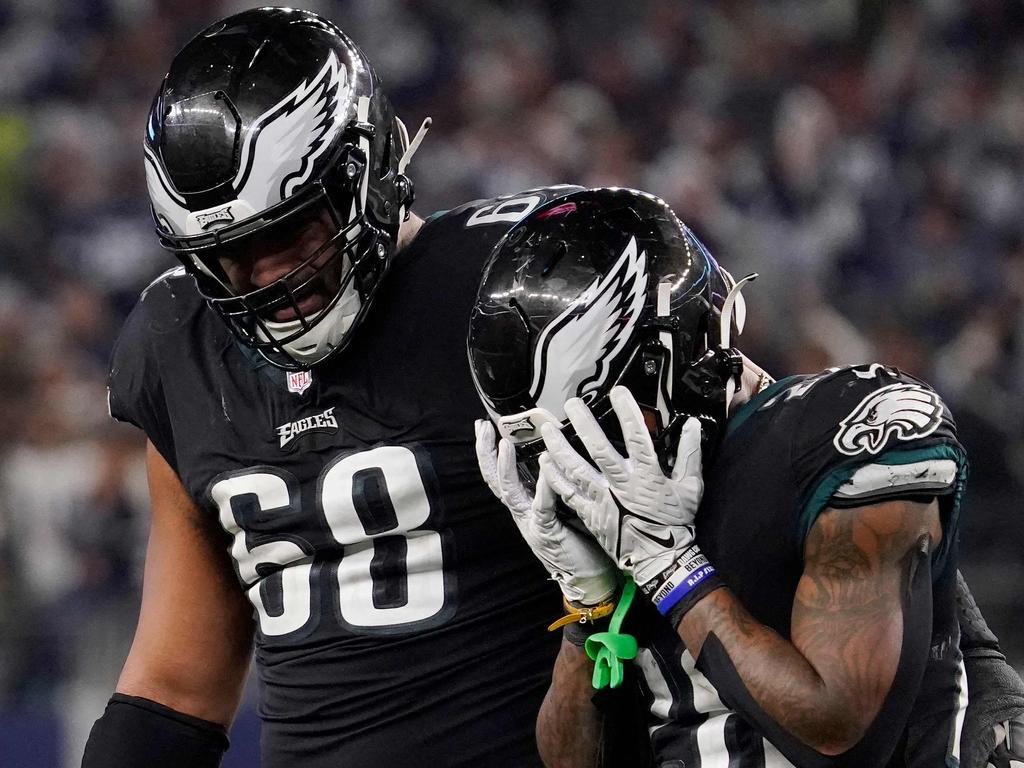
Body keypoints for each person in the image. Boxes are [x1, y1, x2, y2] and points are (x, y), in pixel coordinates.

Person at [81, 7, 588, 767]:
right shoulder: (178, 346)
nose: (265, 278)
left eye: (286, 231)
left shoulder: (517, 292)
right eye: (228, 254)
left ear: (363, 169)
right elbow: (176, 686)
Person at [469, 186, 1024, 767]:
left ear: (675, 351)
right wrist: (586, 614)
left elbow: (840, 739)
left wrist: (673, 570)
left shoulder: (834, 430)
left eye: (595, 424)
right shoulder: (606, 505)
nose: (577, 462)